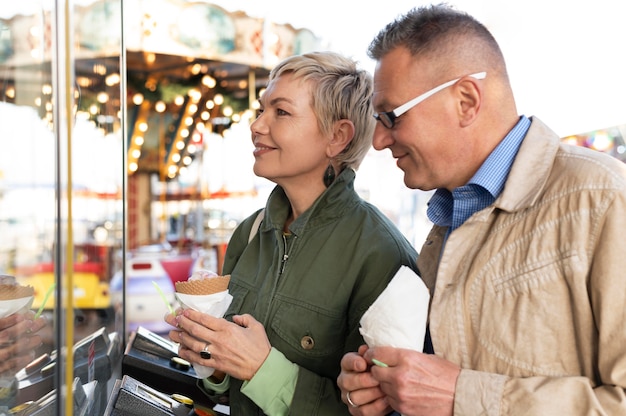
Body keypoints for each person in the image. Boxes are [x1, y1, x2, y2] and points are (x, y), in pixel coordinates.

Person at [337, 4, 626, 416]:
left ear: (467, 100)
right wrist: (386, 387)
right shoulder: (445, 225)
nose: (379, 140)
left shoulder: (602, 198)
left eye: (390, 116)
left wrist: (461, 396)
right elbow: (439, 380)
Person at [165, 51, 419, 415]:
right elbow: (225, 392)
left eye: (281, 112)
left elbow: (383, 411)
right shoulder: (249, 233)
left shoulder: (384, 257)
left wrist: (261, 368)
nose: (257, 125)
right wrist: (212, 359)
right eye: (261, 109)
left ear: (338, 137)